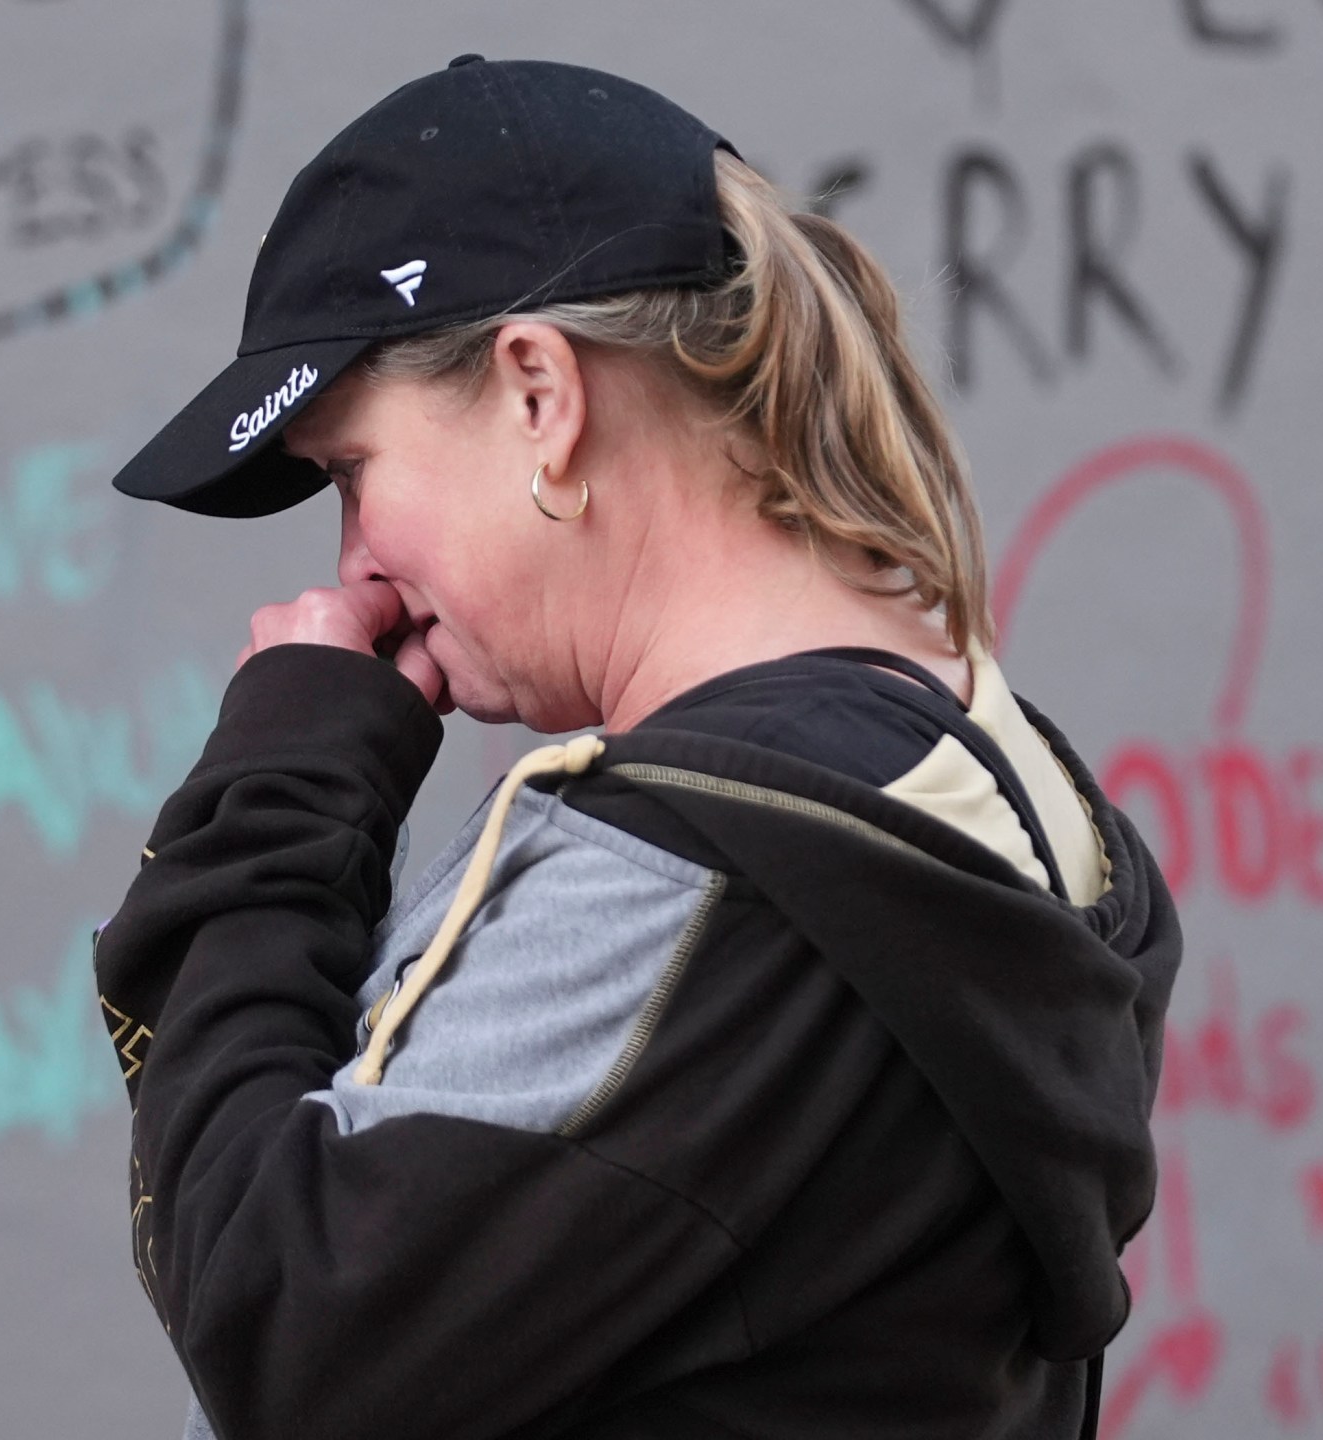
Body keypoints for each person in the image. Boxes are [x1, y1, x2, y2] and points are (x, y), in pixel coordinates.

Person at [93, 54, 1182, 1440]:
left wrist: (278, 788)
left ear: (541, 396)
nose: (355, 558)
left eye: (351, 472)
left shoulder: (694, 865)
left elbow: (279, 1319)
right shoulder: (984, 765)